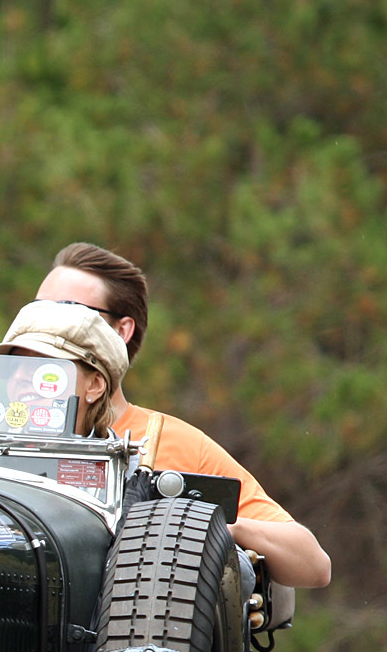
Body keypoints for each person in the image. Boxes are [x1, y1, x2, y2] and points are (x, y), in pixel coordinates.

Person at [22, 242, 332, 589]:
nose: (43, 322)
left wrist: (214, 526)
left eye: (67, 310)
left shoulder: (171, 442)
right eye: (37, 308)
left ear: (121, 331)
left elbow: (313, 565)